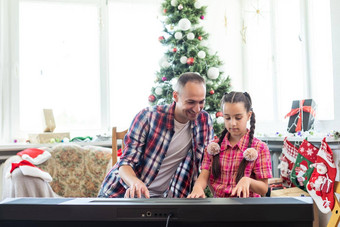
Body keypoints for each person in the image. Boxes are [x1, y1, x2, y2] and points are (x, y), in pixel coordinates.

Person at [98, 72, 214, 198]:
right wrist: (135, 182)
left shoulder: (204, 120)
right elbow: (125, 163)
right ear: (175, 96)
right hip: (120, 192)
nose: (197, 109)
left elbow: (206, 162)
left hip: (163, 198)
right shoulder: (148, 117)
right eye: (191, 102)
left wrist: (198, 186)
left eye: (201, 102)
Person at [187, 92, 272, 198]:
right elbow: (203, 177)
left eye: (238, 118)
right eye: (227, 118)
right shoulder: (213, 147)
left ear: (248, 115)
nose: (232, 123)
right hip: (220, 207)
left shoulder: (260, 148)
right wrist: (198, 188)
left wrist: (248, 181)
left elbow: (263, 189)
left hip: (248, 209)